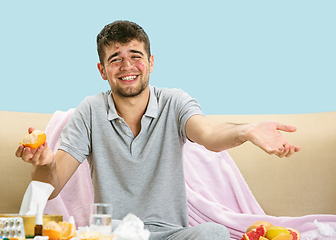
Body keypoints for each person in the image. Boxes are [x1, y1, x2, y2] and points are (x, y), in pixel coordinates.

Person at [15, 20, 301, 240]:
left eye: (136, 55)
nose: (128, 66)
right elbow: (51, 188)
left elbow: (210, 136)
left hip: (172, 233)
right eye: (115, 59)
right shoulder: (89, 111)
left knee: (213, 233)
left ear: (151, 62)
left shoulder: (175, 102)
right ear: (102, 70)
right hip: (116, 236)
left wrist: (247, 131)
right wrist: (46, 165)